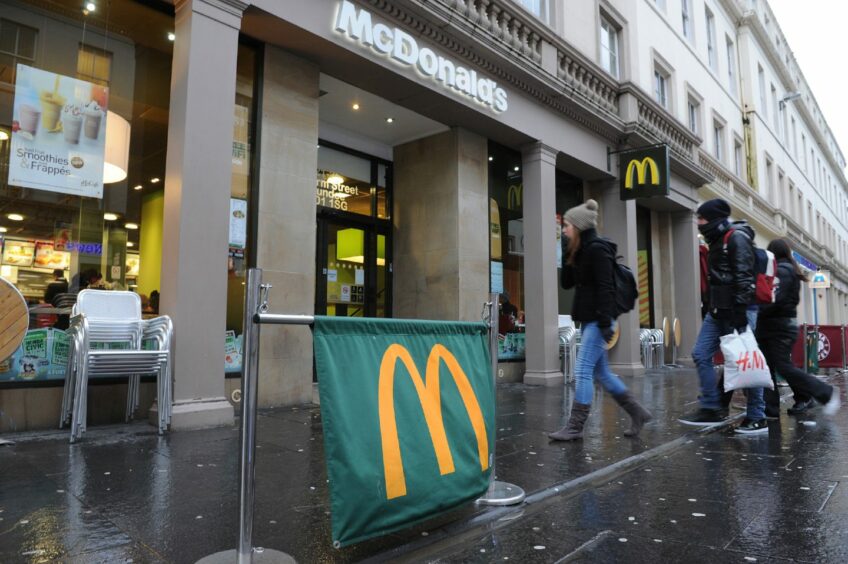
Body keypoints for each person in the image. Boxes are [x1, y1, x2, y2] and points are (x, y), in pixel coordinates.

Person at [548, 199, 653, 441]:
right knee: (602, 373)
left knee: (582, 370)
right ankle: (638, 413)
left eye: (567, 225)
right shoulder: (581, 250)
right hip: (590, 319)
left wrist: (606, 323)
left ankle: (575, 426)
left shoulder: (598, 250)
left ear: (579, 226)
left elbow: (606, 288)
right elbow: (567, 283)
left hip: (600, 320)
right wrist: (566, 251)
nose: (564, 229)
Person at [679, 199, 767, 434]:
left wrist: (739, 311)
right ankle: (711, 407)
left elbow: (744, 276)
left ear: (714, 219)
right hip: (718, 310)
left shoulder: (735, 238)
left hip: (739, 310)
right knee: (700, 353)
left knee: (745, 359)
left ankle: (757, 416)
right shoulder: (715, 240)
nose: (698, 223)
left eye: (702, 219)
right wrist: (710, 306)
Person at [756, 238, 840, 417]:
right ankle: (771, 409)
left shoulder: (782, 271)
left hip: (777, 326)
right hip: (777, 326)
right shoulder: (788, 269)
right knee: (769, 368)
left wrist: (758, 308)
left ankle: (825, 392)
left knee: (782, 367)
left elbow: (774, 299)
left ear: (772, 253)